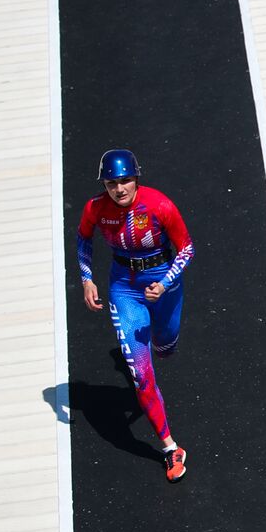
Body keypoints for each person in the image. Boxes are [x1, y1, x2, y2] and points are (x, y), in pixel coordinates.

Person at [77, 149, 195, 482]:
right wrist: (87, 278)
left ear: (136, 178)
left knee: (166, 344)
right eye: (112, 183)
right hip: (124, 290)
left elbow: (186, 248)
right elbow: (83, 239)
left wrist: (166, 281)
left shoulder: (159, 205)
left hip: (162, 282)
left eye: (125, 181)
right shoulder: (95, 208)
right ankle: (171, 448)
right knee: (141, 373)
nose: (119, 189)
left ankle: (159, 344)